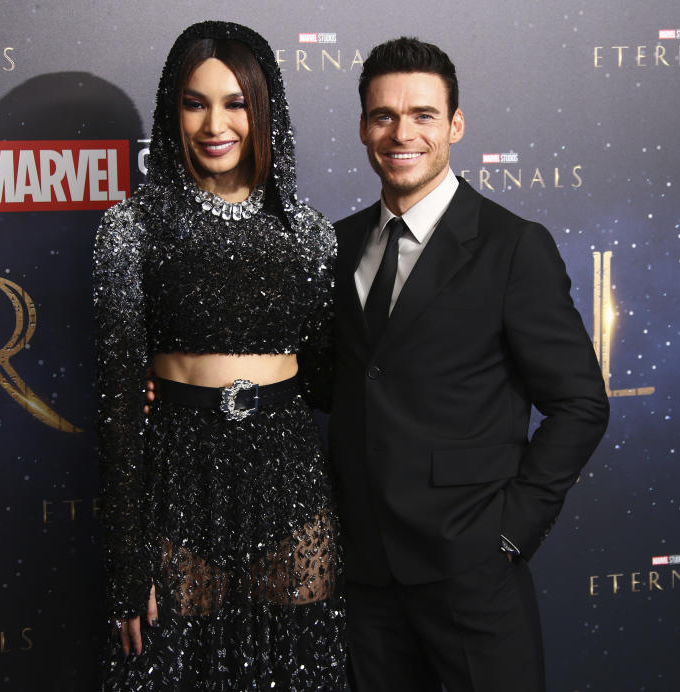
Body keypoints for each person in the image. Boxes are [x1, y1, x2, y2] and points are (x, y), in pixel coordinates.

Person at [328, 37, 610, 692]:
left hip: (472, 576)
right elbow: (327, 383)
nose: (403, 133)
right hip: (365, 580)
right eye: (384, 116)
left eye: (423, 115)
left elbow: (580, 404)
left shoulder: (513, 246)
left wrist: (510, 531)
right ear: (364, 127)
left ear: (455, 125)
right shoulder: (336, 246)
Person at [92, 21, 345, 690]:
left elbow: (325, 377)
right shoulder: (131, 227)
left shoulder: (309, 232)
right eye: (194, 102)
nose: (214, 124)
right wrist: (126, 564)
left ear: (265, 110)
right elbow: (117, 410)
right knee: (176, 668)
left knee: (293, 668)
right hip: (179, 477)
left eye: (236, 102)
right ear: (170, 111)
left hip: (288, 478)